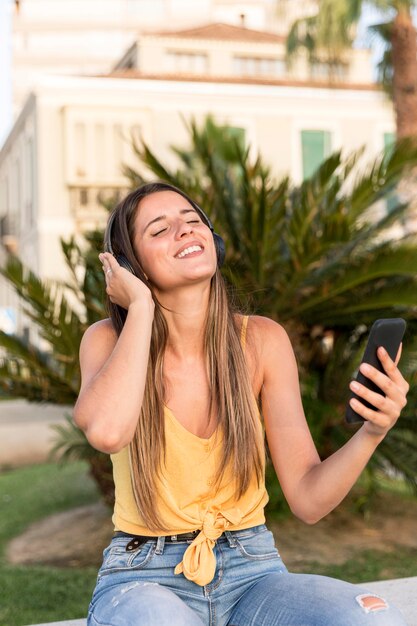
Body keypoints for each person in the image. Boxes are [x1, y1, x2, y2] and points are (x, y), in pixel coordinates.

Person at [74, 181, 409, 626]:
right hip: (144, 576)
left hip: (252, 569)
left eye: (193, 221)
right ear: (131, 267)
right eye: (160, 229)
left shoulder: (262, 341)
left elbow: (308, 499)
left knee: (372, 618)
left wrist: (373, 430)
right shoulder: (107, 341)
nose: (185, 230)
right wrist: (140, 310)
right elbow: (107, 432)